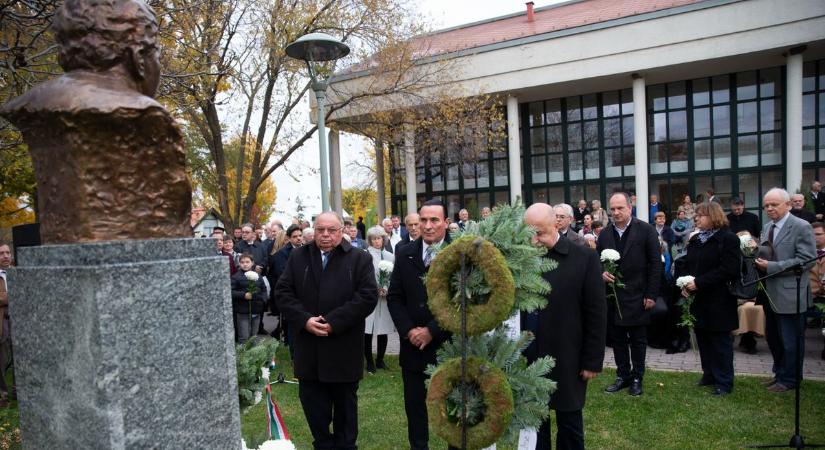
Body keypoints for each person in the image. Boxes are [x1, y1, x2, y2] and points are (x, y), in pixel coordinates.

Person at [275, 212, 377, 449]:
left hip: (344, 349)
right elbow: (283, 293)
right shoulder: (299, 256)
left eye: (331, 230)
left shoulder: (359, 258)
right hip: (309, 350)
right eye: (320, 230)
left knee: (346, 412)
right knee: (314, 408)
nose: (325, 235)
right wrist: (305, 320)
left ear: (342, 231)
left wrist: (334, 322)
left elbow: (367, 296)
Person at [523, 203, 606, 450]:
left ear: (556, 225)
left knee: (569, 424)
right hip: (531, 356)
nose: (534, 240)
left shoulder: (584, 258)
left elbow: (596, 313)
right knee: (536, 425)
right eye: (529, 234)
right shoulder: (522, 259)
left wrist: (592, 361)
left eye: (540, 233)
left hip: (568, 355)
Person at [387, 199, 452, 450]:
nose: (427, 225)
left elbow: (464, 303)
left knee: (454, 410)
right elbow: (395, 297)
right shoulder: (405, 253)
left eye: (434, 220)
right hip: (413, 347)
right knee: (415, 408)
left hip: (449, 347)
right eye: (423, 220)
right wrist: (409, 330)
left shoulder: (460, 253)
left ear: (446, 222)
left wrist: (432, 331)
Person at [597, 192, 662, 396]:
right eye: (612, 209)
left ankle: (637, 378)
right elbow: (597, 261)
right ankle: (622, 375)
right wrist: (601, 273)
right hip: (613, 297)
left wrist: (651, 294)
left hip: (638, 295)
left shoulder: (646, 230)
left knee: (638, 340)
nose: (616, 212)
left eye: (620, 208)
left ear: (629, 208)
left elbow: (655, 265)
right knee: (617, 339)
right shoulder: (605, 234)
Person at [755, 188, 816, 392]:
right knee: (774, 338)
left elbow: (807, 260)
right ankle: (780, 374)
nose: (769, 208)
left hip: (791, 294)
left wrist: (772, 267)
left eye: (774, 204)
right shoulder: (767, 227)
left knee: (791, 341)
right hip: (769, 293)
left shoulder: (801, 226)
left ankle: (791, 379)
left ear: (788, 205)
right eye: (766, 205)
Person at [678, 202, 740, 396]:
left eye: (701, 215)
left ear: (714, 216)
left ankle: (724, 381)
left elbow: (729, 269)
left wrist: (699, 283)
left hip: (719, 299)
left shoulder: (728, 239)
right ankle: (709, 374)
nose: (696, 218)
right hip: (699, 298)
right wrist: (685, 283)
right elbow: (688, 264)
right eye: (696, 215)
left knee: (720, 342)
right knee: (703, 338)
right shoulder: (696, 239)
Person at [364, 226, 396, 373]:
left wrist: (386, 288)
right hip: (370, 297)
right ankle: (369, 362)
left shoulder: (390, 256)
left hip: (384, 298)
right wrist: (375, 288)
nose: (377, 241)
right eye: (374, 239)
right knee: (368, 330)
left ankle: (380, 360)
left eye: (379, 238)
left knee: (383, 329)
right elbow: (364, 276)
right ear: (370, 240)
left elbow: (393, 276)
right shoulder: (365, 255)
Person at [231, 253, 267, 343]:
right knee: (244, 336)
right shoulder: (236, 277)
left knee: (254, 335)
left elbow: (264, 289)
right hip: (242, 311)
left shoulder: (257, 276)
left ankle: (253, 351)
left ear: (252, 263)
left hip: (256, 309)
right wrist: (243, 295)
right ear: (239, 263)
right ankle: (244, 351)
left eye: (247, 262)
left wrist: (263, 300)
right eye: (242, 262)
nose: (245, 264)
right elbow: (231, 291)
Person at [808, 222, 825, 360]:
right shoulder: (805, 253)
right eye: (812, 235)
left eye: (818, 234)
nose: (815, 237)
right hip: (809, 297)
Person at [0, 241, 13, 406]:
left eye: (8, 253)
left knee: (21, 358)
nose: (5, 256)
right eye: (1, 253)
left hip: (20, 319)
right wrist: (12, 296)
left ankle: (19, 392)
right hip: (1, 321)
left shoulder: (18, 272)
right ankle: (3, 396)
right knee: (1, 360)